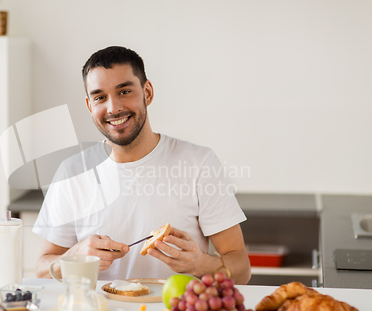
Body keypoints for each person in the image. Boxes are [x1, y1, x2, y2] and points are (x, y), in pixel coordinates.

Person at [33, 46, 251, 284]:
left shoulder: (199, 163)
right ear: (89, 106)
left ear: (147, 92)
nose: (113, 108)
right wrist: (72, 258)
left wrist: (201, 264)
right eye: (100, 97)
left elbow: (241, 269)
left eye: (124, 91)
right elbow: (42, 268)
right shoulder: (72, 172)